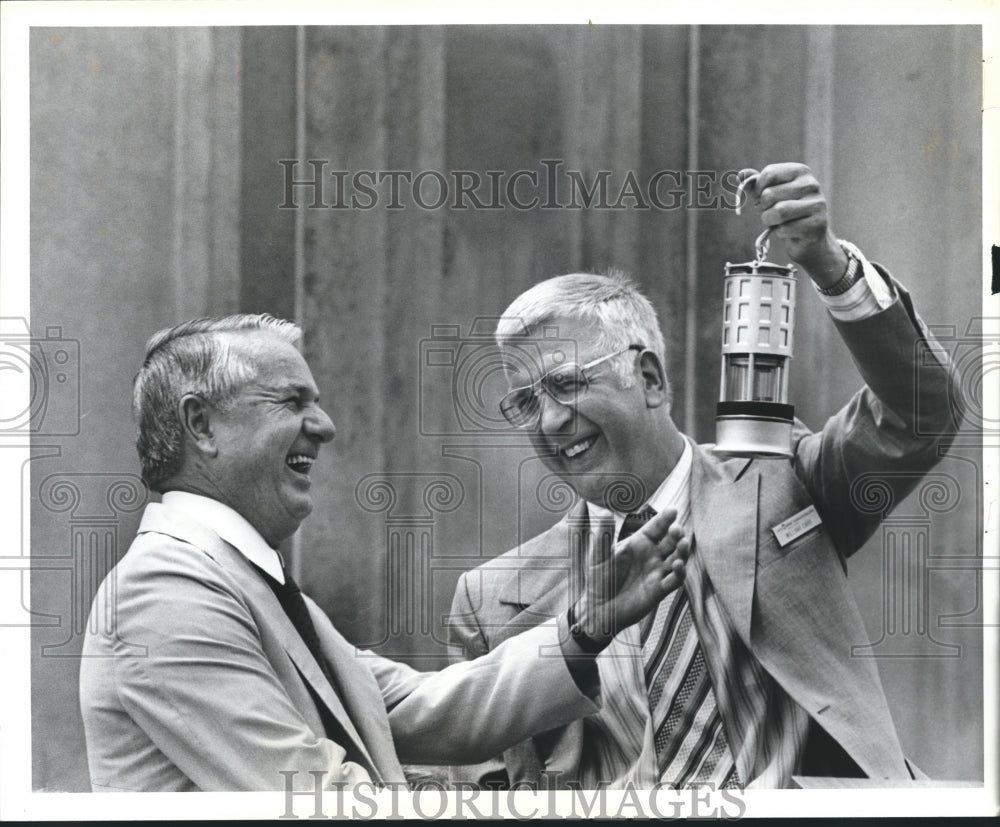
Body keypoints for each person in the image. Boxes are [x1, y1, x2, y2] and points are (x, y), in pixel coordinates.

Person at [447, 162, 965, 790]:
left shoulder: (785, 483)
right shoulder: (491, 599)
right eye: (526, 401)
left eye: (566, 383)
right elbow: (482, 794)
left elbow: (921, 413)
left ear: (650, 379)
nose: (551, 420)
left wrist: (831, 267)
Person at [78, 314, 692, 792]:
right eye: (292, 402)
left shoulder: (239, 581)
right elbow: (317, 798)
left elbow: (421, 709)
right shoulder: (164, 590)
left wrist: (585, 628)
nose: (325, 426)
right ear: (201, 425)